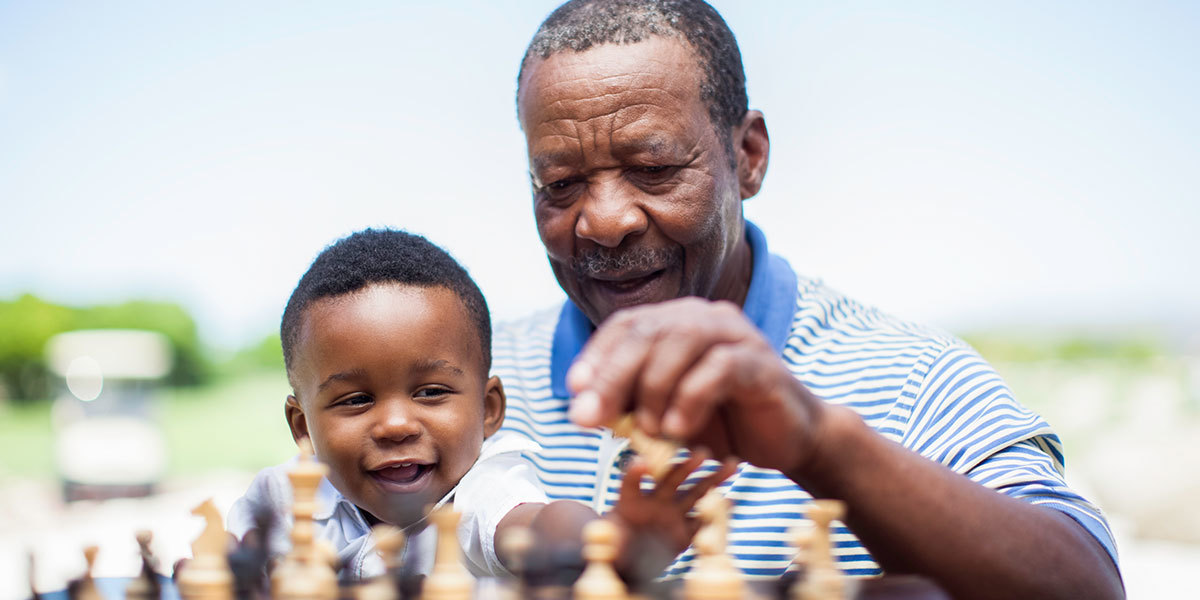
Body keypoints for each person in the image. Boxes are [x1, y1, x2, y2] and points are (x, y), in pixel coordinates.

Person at [495, 0, 1124, 598]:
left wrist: (822, 446)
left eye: (654, 170)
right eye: (561, 184)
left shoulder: (913, 379)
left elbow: (1087, 586)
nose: (605, 221)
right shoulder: (470, 388)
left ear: (748, 155)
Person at [226, 228, 732, 579]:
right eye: (356, 400)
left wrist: (609, 540)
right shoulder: (277, 499)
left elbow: (538, 525)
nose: (397, 424)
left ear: (490, 409)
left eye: (431, 392)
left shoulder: (480, 494)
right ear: (302, 427)